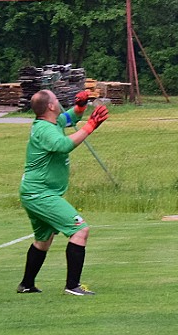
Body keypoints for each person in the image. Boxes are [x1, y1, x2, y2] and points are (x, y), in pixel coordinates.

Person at [17, 88, 109, 296]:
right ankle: (73, 286)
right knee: (80, 230)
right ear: (50, 106)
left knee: (43, 239)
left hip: (36, 192)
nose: (59, 102)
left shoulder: (52, 122)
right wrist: (91, 125)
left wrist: (81, 105)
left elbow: (70, 116)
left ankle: (27, 284)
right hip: (40, 193)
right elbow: (64, 145)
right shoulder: (45, 130)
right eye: (56, 99)